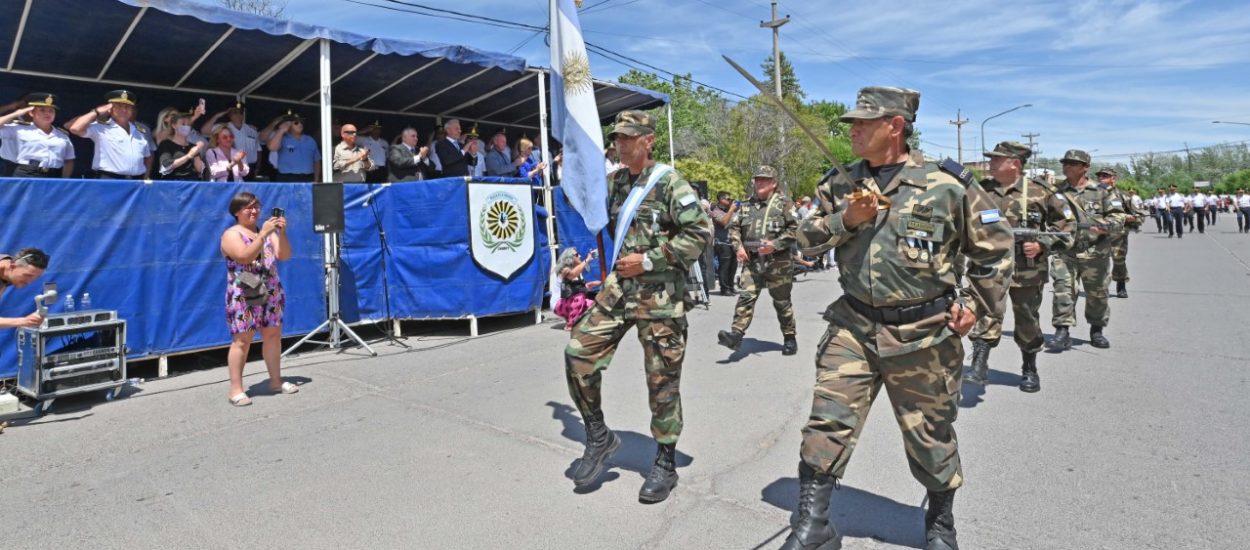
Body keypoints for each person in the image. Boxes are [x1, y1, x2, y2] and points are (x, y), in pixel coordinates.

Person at [783, 86, 1013, 550]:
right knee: (827, 422)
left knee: (929, 433)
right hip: (854, 326)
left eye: (865, 122)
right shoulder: (839, 182)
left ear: (895, 126)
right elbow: (804, 242)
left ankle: (940, 521)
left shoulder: (949, 184)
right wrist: (845, 219)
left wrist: (972, 305)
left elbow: (996, 250)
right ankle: (813, 525)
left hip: (924, 332)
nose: (854, 130)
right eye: (852, 123)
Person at [563, 110, 711, 504]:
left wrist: (650, 260)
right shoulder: (613, 183)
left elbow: (700, 233)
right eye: (617, 137)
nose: (620, 143)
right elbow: (595, 214)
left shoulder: (669, 184)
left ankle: (665, 461)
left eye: (629, 137)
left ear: (648, 140)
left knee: (661, 382)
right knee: (578, 353)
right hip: (618, 291)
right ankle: (599, 436)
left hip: (659, 296)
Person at [964, 142, 1073, 393]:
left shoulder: (1042, 192)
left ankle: (1029, 367)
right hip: (988, 268)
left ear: (1014, 163)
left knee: (1027, 320)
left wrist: (1041, 245)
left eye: (996, 159)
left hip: (1027, 270)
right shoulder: (980, 191)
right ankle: (979, 365)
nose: (989, 163)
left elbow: (1067, 228)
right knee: (983, 313)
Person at [220, 192, 296, 407]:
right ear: (236, 212)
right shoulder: (231, 234)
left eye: (256, 207)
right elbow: (244, 257)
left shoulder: (268, 232)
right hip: (244, 291)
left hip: (271, 290)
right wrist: (262, 235)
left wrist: (280, 233)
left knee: (273, 335)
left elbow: (284, 255)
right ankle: (236, 389)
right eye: (248, 207)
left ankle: (275, 381)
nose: (253, 211)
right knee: (242, 340)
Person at [1048, 150, 1126, 352]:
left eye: (1073, 164)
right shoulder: (1056, 192)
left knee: (1097, 294)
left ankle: (1097, 330)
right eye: (1065, 163)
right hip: (1065, 251)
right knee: (1062, 291)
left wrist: (1105, 226)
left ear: (1085, 168)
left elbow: (1119, 217)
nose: (1067, 167)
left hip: (1095, 252)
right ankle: (1062, 330)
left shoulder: (1102, 191)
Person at [716, 165, 799, 356]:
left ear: (773, 183)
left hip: (778, 262)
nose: (759, 183)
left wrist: (776, 244)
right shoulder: (745, 205)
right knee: (746, 296)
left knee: (782, 302)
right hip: (752, 261)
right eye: (757, 179)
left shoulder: (784, 204)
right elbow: (734, 228)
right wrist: (739, 248)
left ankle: (789, 337)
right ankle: (736, 335)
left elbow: (795, 230)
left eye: (764, 180)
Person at [66, 90, 152, 179]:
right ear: (110, 109)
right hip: (109, 179)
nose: (124, 109)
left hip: (135, 182)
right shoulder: (101, 128)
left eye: (127, 106)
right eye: (119, 106)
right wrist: (97, 112)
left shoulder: (140, 131)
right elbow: (75, 128)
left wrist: (146, 176)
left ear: (132, 110)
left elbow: (147, 157)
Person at [0, 93, 75, 178]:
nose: (47, 114)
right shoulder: (19, 129)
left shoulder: (62, 135)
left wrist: (65, 180)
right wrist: (16, 114)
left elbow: (69, 160)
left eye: (51, 111)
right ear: (31, 113)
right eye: (42, 110)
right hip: (28, 173)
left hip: (54, 174)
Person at [1095, 168, 1136, 298]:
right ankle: (1100, 287)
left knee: (1118, 260)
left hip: (1118, 235)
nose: (1101, 178)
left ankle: (1121, 285)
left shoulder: (1123, 195)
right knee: (1098, 260)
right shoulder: (1091, 194)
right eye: (1100, 176)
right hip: (1097, 233)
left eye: (1105, 175)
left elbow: (1139, 215)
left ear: (1113, 178)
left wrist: (1130, 217)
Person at [201, 102, 261, 179]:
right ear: (229, 114)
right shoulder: (223, 128)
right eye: (235, 113)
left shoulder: (252, 130)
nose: (238, 115)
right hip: (226, 168)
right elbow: (204, 131)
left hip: (248, 168)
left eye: (240, 113)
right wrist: (218, 115)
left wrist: (257, 168)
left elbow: (258, 150)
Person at [0, 248, 51, 328]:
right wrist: (25, 321)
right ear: (12, 267)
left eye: (36, 277)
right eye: (28, 275)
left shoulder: (7, 271)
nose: (29, 281)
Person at [553, 247, 601, 330]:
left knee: (594, 305)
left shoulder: (578, 273)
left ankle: (575, 319)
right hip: (558, 304)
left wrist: (593, 283)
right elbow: (572, 275)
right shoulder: (565, 270)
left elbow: (581, 287)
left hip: (570, 301)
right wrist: (587, 260)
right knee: (579, 297)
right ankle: (570, 325)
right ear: (570, 258)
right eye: (577, 255)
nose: (580, 256)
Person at [266, 112, 320, 182]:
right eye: (296, 122)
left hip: (308, 178)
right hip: (287, 178)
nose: (300, 124)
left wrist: (316, 179)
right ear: (289, 125)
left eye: (301, 122)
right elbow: (272, 147)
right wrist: (282, 130)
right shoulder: (282, 138)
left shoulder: (310, 140)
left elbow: (316, 161)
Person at [154, 111, 205, 181]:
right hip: (174, 182)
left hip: (191, 182)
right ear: (174, 125)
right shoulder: (165, 144)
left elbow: (199, 169)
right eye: (183, 124)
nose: (186, 127)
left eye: (188, 124)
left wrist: (198, 149)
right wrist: (188, 156)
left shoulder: (192, 146)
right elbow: (167, 166)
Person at [710, 192, 740, 295]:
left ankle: (731, 286)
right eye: (728, 199)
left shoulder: (732, 211)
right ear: (721, 200)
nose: (730, 200)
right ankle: (724, 288)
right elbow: (724, 222)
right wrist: (731, 210)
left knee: (733, 266)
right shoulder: (716, 212)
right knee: (725, 266)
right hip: (723, 242)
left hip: (734, 242)